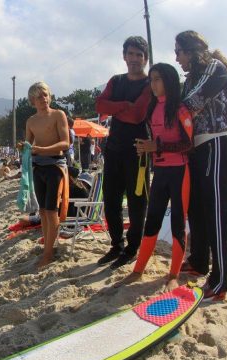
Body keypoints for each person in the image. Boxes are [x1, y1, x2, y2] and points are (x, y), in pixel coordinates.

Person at [175, 30, 227, 301]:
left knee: (215, 212)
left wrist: (172, 109)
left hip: (216, 143)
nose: (176, 57)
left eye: (178, 51)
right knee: (197, 209)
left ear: (191, 50)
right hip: (198, 148)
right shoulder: (190, 77)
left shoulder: (215, 68)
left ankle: (221, 280)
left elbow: (192, 103)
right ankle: (200, 261)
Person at [118, 63, 193, 291]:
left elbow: (188, 144)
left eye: (158, 79)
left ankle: (173, 274)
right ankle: (138, 269)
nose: (153, 84)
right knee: (152, 222)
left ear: (169, 81)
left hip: (180, 172)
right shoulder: (152, 108)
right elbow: (156, 144)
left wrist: (156, 146)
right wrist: (147, 149)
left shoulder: (180, 109)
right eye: (151, 80)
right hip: (159, 172)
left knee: (178, 224)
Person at [95, 35, 152, 269]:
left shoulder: (150, 84)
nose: (135, 59)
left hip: (138, 151)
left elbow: (138, 114)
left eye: (139, 55)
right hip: (114, 148)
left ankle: (132, 248)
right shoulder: (116, 80)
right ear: (124, 56)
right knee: (111, 201)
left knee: (137, 202)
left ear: (145, 59)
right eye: (131, 53)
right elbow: (100, 106)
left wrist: (116, 108)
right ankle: (116, 244)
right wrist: (124, 107)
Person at [23, 81, 70, 267]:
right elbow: (28, 145)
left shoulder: (58, 115)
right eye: (39, 96)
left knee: (51, 210)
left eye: (45, 95)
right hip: (38, 168)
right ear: (32, 101)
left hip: (55, 167)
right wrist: (25, 150)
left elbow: (66, 143)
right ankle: (47, 245)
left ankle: (48, 253)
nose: (43, 99)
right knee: (42, 210)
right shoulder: (31, 121)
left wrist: (40, 149)